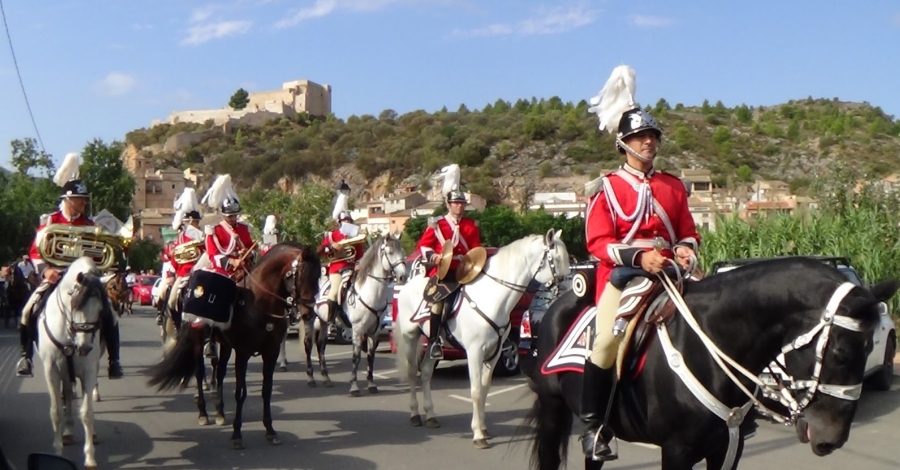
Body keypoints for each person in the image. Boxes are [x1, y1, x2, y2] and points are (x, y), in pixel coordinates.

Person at [577, 65, 701, 461]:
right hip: (622, 278)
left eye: (652, 135)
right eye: (639, 136)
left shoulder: (673, 185)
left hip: (671, 272)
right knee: (607, 341)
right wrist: (638, 256)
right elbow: (598, 242)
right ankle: (595, 426)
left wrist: (685, 250)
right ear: (623, 143)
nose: (648, 142)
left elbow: (688, 231)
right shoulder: (608, 189)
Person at [16, 152, 124, 379]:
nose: (83, 204)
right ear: (67, 200)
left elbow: (98, 255)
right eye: (79, 200)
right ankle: (25, 357)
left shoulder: (90, 224)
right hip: (55, 276)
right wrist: (46, 270)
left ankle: (114, 360)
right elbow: (36, 251)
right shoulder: (51, 222)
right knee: (29, 310)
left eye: (84, 200)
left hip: (85, 279)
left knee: (111, 315)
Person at [414, 164, 481, 360]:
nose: (460, 206)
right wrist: (433, 257)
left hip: (465, 271)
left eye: (462, 204)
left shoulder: (471, 226)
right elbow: (423, 247)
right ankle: (435, 341)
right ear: (449, 205)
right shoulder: (438, 224)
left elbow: (477, 249)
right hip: (443, 273)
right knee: (438, 305)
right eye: (456, 203)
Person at [317, 187, 365, 323]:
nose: (347, 223)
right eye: (345, 221)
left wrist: (358, 264)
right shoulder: (332, 235)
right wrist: (332, 246)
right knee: (336, 289)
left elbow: (359, 254)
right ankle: (331, 316)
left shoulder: (355, 235)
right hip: (337, 267)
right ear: (339, 223)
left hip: (351, 267)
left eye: (349, 221)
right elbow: (321, 250)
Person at [164, 188, 205, 329]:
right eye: (190, 222)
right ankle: (176, 326)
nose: (193, 224)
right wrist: (171, 273)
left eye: (194, 221)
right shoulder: (181, 237)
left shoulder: (203, 236)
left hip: (201, 273)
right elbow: (176, 258)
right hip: (184, 274)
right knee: (172, 299)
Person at [201, 175, 254, 278]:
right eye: (230, 216)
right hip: (222, 273)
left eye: (235, 215)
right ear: (223, 214)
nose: (233, 218)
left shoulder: (244, 228)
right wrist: (232, 261)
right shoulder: (214, 230)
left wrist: (248, 253)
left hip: (245, 271)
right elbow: (213, 255)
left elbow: (252, 248)